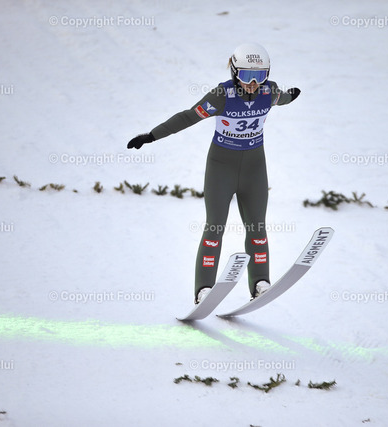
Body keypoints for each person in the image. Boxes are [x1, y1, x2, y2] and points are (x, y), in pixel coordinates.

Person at [127, 42, 300, 304]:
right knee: (215, 226)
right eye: (246, 76)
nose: (253, 83)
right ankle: (204, 289)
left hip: (255, 168)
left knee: (257, 226)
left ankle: (260, 282)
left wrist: (290, 95)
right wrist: (151, 136)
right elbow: (188, 117)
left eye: (259, 76)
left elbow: (281, 98)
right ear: (234, 72)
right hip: (222, 168)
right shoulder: (222, 95)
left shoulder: (269, 91)